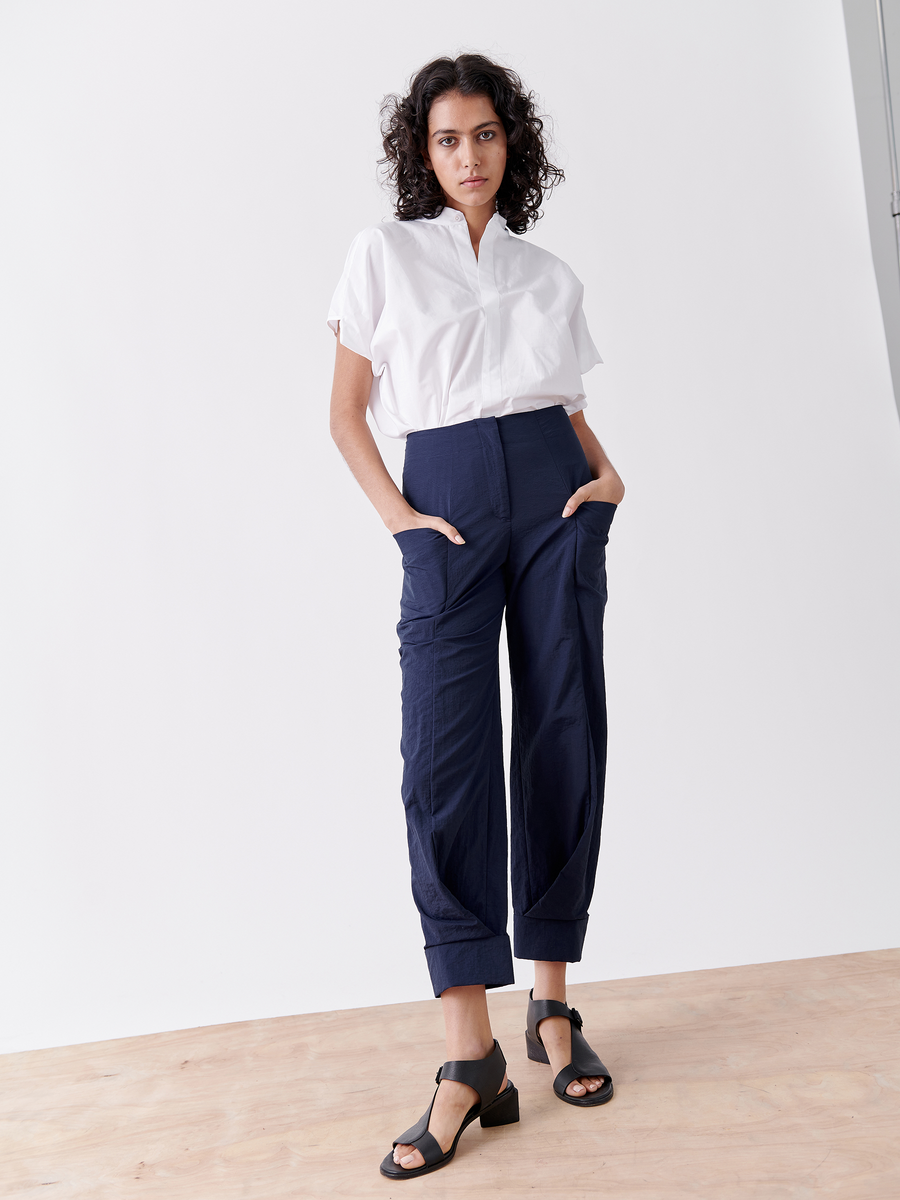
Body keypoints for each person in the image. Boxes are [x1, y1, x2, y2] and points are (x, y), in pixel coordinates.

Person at [327, 53, 625, 1180]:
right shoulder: (382, 256)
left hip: (555, 494)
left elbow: (571, 407)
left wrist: (610, 481)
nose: (469, 156)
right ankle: (468, 1056)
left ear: (513, 144)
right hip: (444, 503)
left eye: (487, 135)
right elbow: (348, 413)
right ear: (422, 150)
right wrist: (404, 519)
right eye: (448, 139)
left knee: (562, 733)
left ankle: (552, 1004)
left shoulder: (548, 273)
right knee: (445, 761)